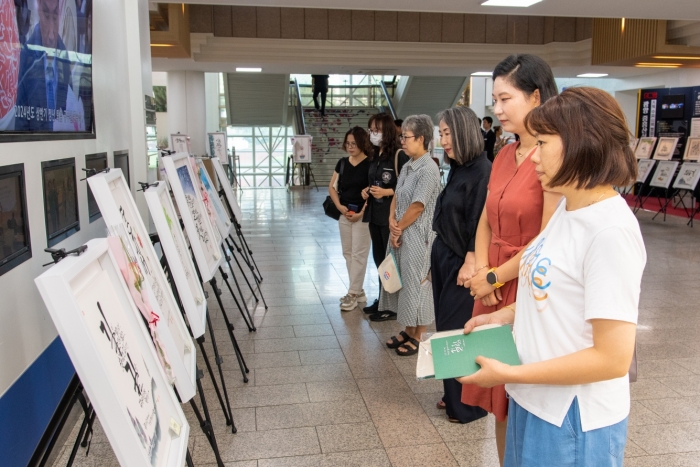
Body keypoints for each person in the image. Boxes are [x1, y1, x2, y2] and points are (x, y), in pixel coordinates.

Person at [458, 86, 644, 467]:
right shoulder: (567, 210)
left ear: (581, 144)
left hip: (573, 417)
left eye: (542, 143)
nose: (533, 157)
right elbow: (552, 294)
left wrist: (511, 372)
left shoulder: (609, 230)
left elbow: (612, 358)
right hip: (533, 397)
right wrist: (505, 317)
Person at [460, 54, 561, 466]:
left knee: (523, 392)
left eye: (505, 99)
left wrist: (495, 278)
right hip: (494, 279)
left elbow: (547, 240)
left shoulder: (553, 155)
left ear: (536, 97)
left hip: (526, 280)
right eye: (495, 100)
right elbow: (486, 217)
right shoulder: (505, 153)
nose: (496, 109)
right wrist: (483, 271)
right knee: (497, 399)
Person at [431, 106, 491, 424]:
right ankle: (453, 393)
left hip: (463, 261)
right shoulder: (458, 167)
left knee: (457, 331)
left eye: (446, 133)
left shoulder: (483, 171)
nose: (443, 141)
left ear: (464, 131)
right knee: (445, 328)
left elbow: (481, 222)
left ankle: (468, 405)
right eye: (441, 134)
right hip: (445, 254)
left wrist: (471, 259)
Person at [381, 115, 441, 356]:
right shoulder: (407, 165)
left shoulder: (429, 168)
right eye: (402, 136)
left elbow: (418, 205)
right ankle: (408, 329)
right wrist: (391, 222)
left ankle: (418, 334)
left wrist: (398, 227)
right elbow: (397, 195)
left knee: (418, 284)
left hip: (419, 236)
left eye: (406, 137)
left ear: (421, 139)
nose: (402, 141)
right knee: (404, 282)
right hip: (402, 231)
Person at [361, 113, 410, 321]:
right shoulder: (375, 155)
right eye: (371, 130)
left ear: (387, 131)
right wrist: (367, 190)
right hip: (374, 214)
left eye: (377, 130)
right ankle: (383, 299)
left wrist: (387, 193)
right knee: (379, 260)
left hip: (390, 216)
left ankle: (392, 305)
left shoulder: (399, 155)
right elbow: (375, 181)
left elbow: (406, 186)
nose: (373, 134)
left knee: (391, 261)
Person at [328, 127, 372, 311]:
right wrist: (339, 207)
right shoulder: (343, 163)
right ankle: (359, 290)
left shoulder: (371, 164)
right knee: (348, 253)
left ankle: (352, 294)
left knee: (359, 254)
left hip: (363, 215)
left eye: (354, 143)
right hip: (344, 213)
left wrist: (361, 212)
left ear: (362, 143)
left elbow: (373, 192)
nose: (350, 147)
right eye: (348, 143)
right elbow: (332, 187)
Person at [15, 0, 73, 131]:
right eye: (47, 16)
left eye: (55, 17)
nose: (52, 35)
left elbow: (70, 113)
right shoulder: (27, 56)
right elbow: (20, 124)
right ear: (39, 8)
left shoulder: (65, 58)